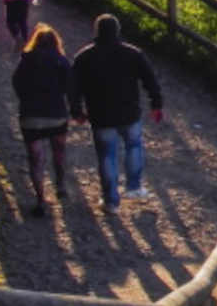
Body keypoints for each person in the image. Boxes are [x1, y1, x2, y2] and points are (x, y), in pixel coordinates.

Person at [70, 14, 164, 214]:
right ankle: (134, 187)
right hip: (129, 112)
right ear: (117, 31)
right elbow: (150, 79)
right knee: (134, 146)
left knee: (107, 156)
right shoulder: (133, 53)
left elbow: (73, 88)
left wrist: (76, 111)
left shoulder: (84, 57)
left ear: (96, 31)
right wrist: (156, 103)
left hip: (101, 115)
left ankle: (111, 201)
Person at [12, 23, 73, 218]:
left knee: (36, 159)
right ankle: (61, 185)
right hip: (56, 114)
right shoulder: (61, 61)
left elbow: (17, 84)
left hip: (31, 116)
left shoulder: (26, 60)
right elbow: (69, 87)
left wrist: (27, 99)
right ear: (56, 42)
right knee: (59, 152)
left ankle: (40, 200)